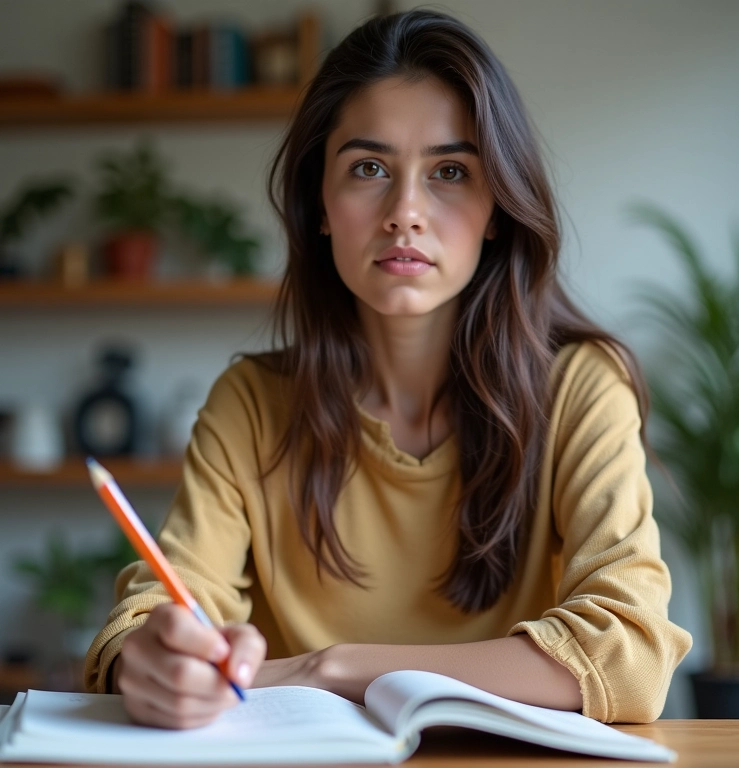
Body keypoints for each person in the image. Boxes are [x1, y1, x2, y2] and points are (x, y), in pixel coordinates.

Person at [85, 9, 692, 729]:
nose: (406, 212)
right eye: (369, 168)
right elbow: (154, 610)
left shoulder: (581, 387)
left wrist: (330, 666)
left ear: (497, 206)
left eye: (450, 172)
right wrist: (147, 659)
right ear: (319, 203)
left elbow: (627, 652)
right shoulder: (250, 403)